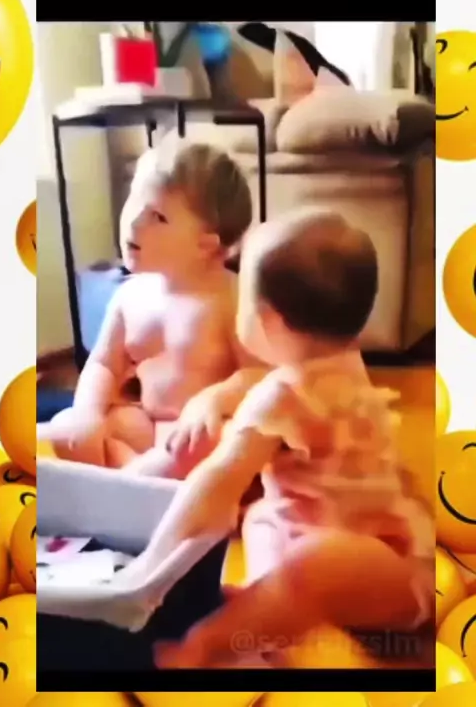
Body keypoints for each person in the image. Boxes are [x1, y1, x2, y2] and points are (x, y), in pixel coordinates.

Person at [116, 208, 433, 664]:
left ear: (266, 319)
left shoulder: (282, 394)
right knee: (263, 516)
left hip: (391, 573)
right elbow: (266, 401)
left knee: (319, 560)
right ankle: (268, 608)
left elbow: (218, 481)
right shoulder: (343, 359)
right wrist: (215, 401)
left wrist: (150, 562)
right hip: (323, 537)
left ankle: (202, 646)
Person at [37, 141, 266, 469]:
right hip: (143, 425)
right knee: (66, 426)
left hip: (193, 433)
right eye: (134, 199)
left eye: (158, 216)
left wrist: (214, 399)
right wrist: (87, 414)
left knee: (224, 440)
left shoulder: (231, 299)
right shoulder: (130, 295)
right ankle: (132, 476)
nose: (133, 222)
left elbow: (260, 375)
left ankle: (125, 478)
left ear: (205, 245)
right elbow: (104, 364)